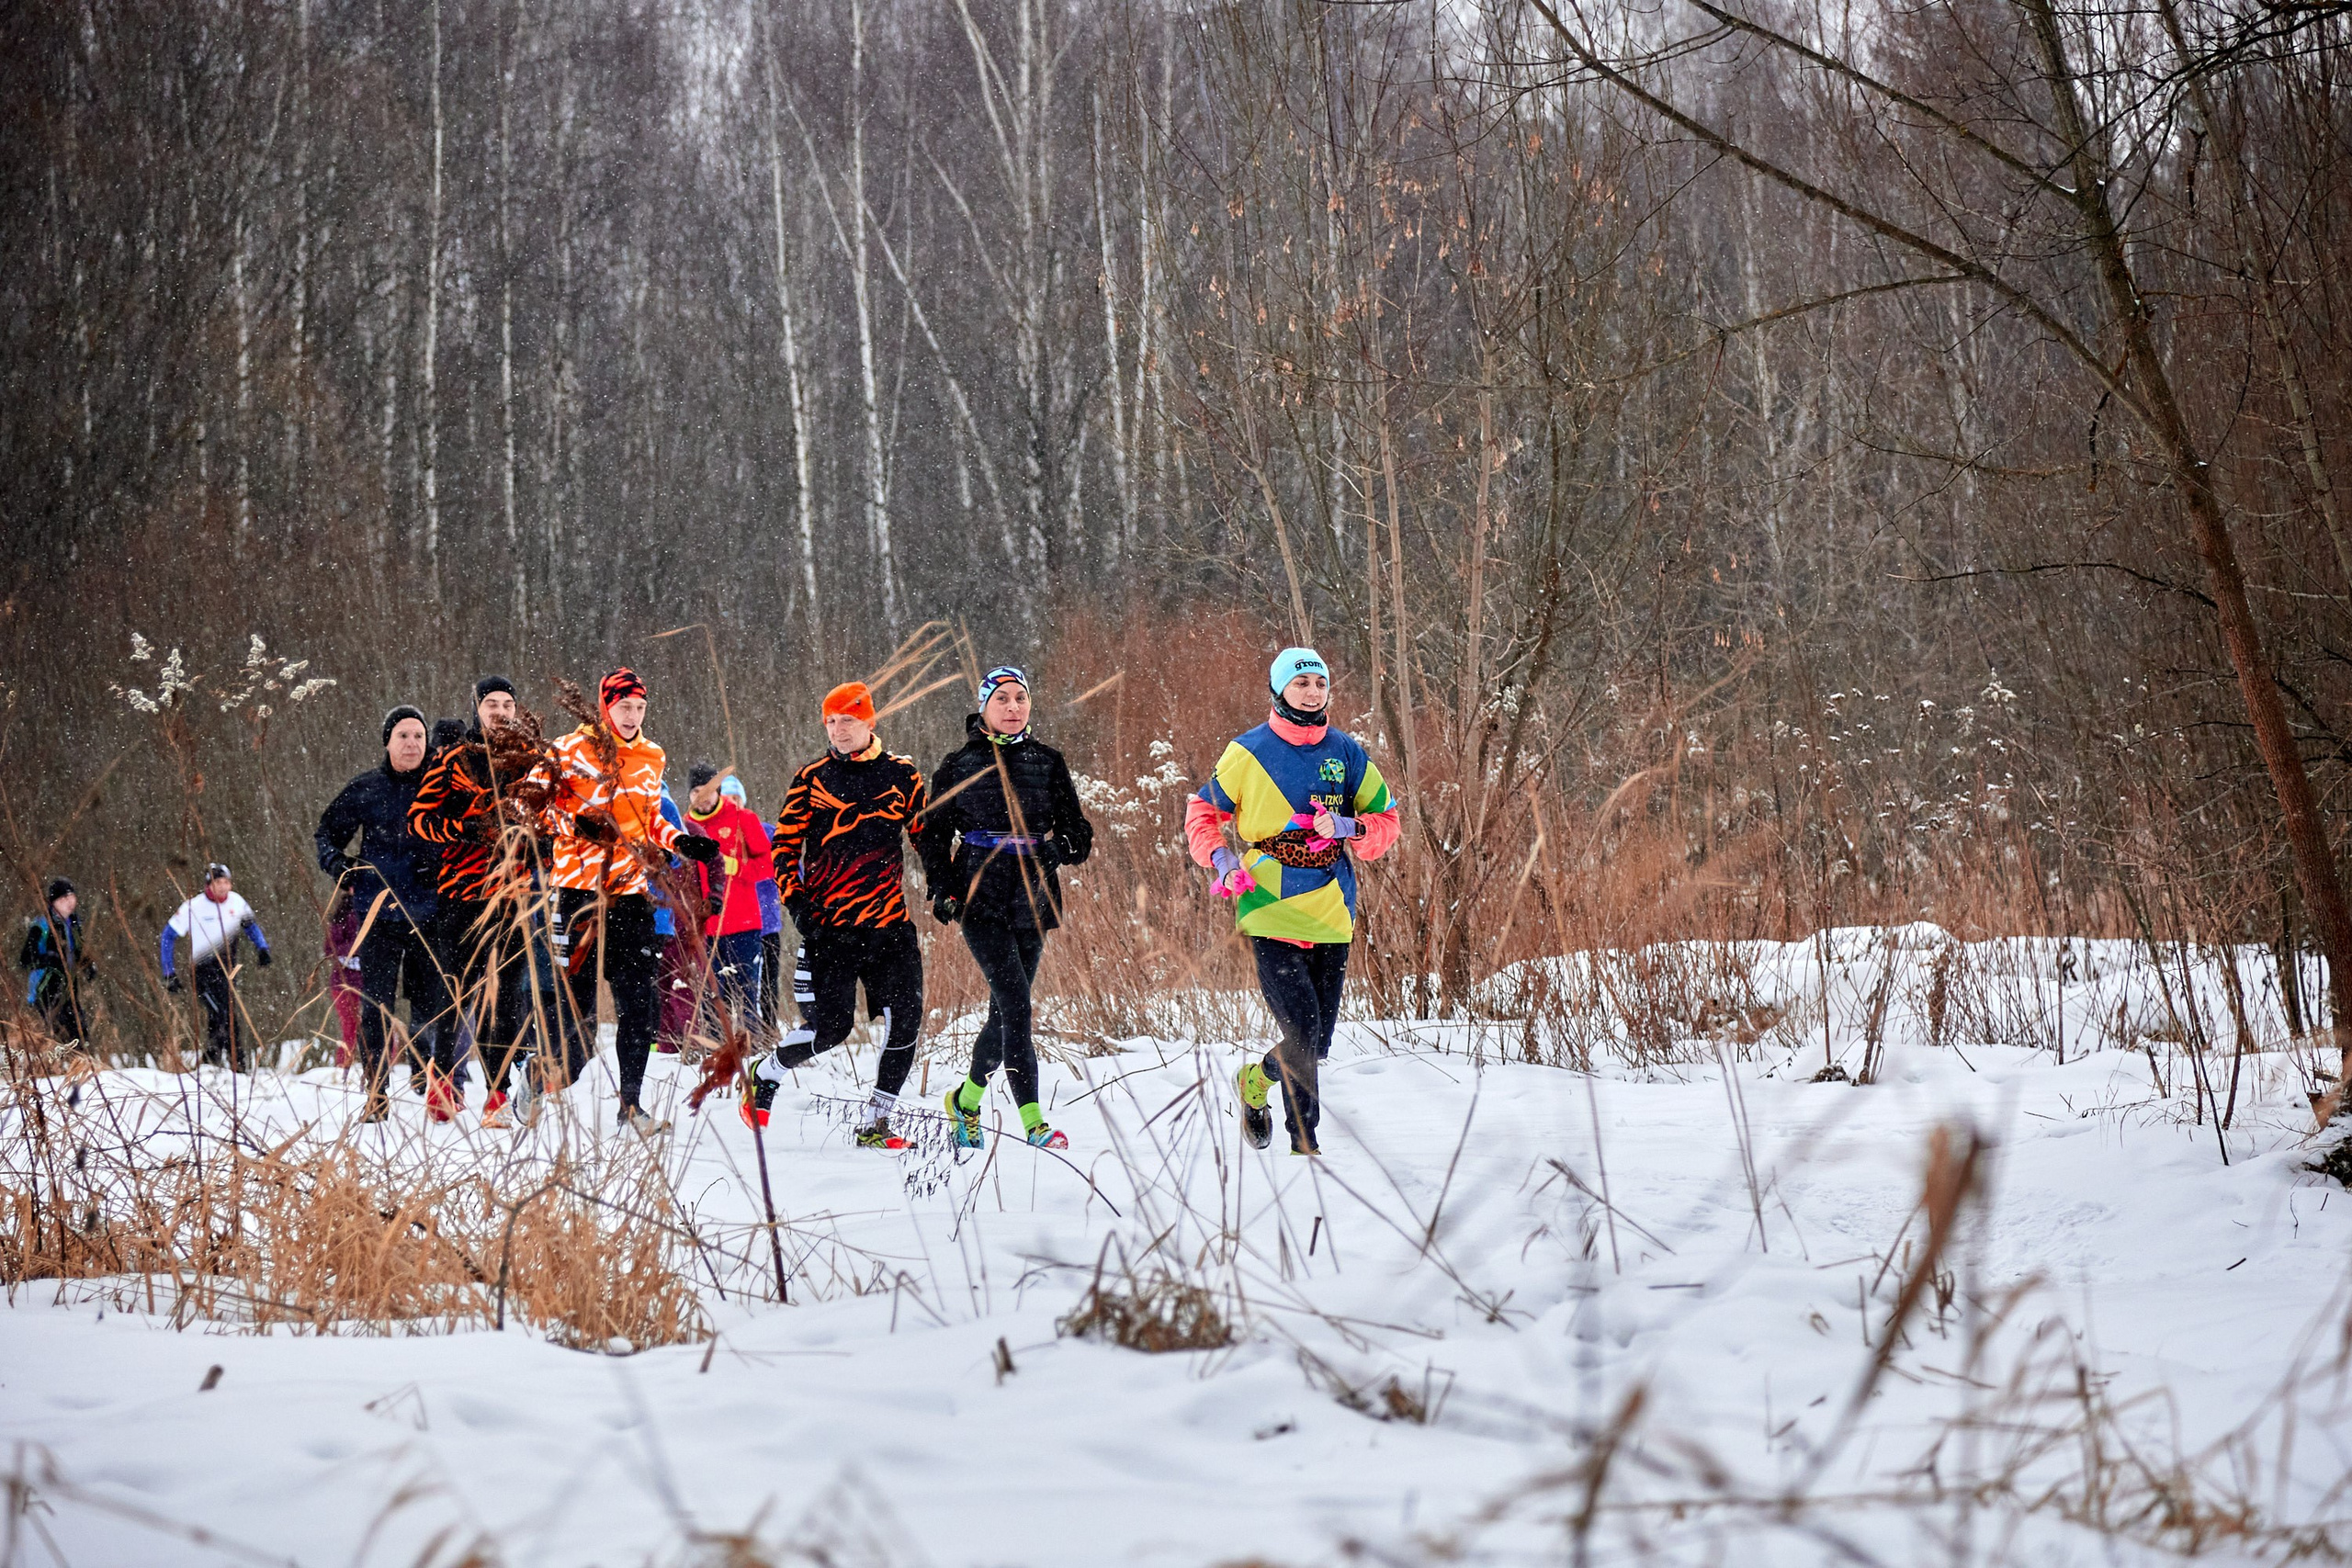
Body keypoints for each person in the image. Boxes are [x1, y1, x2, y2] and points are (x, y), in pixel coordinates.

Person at [1185, 648, 1399, 1156]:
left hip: (1331, 904)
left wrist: (1347, 825)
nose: (1312, 692)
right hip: (1267, 901)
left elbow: (1386, 822)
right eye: (1301, 683)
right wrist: (1222, 861)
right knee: (1300, 1031)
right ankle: (1305, 1144)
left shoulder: (1346, 752)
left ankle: (1255, 1080)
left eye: (1320, 683)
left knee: (1317, 1042)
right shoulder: (1247, 751)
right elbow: (1202, 813)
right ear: (1279, 689)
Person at [526, 667, 723, 1134]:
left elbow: (650, 818)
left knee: (640, 1006)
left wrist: (680, 843)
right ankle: (536, 1078)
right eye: (623, 707)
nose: (632, 716)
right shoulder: (570, 748)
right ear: (605, 707)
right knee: (575, 1018)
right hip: (578, 894)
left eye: (639, 708)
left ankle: (631, 1107)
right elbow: (527, 803)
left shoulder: (652, 755)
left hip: (632, 894)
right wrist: (574, 824)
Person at [744, 681, 930, 1148]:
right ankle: (766, 1072)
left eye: (848, 719)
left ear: (870, 720)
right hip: (832, 930)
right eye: (831, 721)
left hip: (890, 927)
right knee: (830, 1031)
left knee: (905, 1023)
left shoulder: (902, 775)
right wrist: (797, 902)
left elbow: (925, 836)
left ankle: (876, 1122)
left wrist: (947, 885)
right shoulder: (811, 778)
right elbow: (782, 846)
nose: (839, 729)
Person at [919, 666, 1094, 1150]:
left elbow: (1080, 833)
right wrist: (943, 886)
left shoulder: (1049, 761)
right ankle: (1034, 1121)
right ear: (984, 708)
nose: (1013, 707)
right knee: (1017, 1005)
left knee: (1004, 1012)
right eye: (1003, 700)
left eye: (1021, 698)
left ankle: (966, 1100)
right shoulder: (957, 766)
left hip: (1034, 896)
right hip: (981, 896)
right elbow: (931, 835)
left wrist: (1058, 850)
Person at [409, 676, 538, 1128]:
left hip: (511, 895)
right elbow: (419, 820)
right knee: (455, 991)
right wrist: (461, 830)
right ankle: (443, 1084)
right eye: (491, 704)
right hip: (460, 894)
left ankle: (498, 1094)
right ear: (477, 710)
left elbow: (550, 820)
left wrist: (533, 839)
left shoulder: (530, 763)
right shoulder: (451, 760)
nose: (500, 711)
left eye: (507, 704)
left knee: (502, 998)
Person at [317, 705, 452, 1121]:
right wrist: (342, 868)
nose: (412, 744)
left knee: (434, 1005)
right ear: (387, 742)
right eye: (403, 736)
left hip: (432, 913)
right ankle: (376, 1093)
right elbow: (326, 836)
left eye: (418, 736)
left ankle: (431, 1079)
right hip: (378, 914)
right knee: (376, 1005)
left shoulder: (442, 785)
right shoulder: (366, 788)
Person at [686, 762, 772, 1040]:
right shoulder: (684, 826)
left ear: (719, 791)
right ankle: (714, 1054)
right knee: (711, 999)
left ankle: (751, 1048)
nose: (702, 796)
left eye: (708, 790)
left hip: (744, 924)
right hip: (704, 929)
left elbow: (770, 865)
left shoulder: (742, 818)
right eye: (696, 791)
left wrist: (737, 867)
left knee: (746, 997)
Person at [159, 863, 273, 1069]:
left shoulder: (237, 902)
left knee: (223, 1016)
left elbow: (251, 927)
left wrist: (262, 948)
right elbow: (168, 936)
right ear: (208, 885)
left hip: (229, 971)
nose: (223, 887)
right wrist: (169, 972)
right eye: (218, 882)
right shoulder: (193, 907)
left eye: (226, 882)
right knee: (222, 1014)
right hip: (202, 971)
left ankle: (216, 1063)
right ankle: (233, 1062)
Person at [723, 774, 787, 1030]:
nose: (733, 804)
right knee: (732, 982)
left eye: (737, 798)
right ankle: (734, 1034)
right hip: (735, 922)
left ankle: (768, 1031)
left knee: (768, 982)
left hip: (767, 921)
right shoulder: (718, 834)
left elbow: (785, 864)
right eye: (727, 799)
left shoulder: (765, 831)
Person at [20, 878, 96, 1043]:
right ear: (54, 903)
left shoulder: (73, 925)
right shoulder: (42, 926)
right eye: (64, 899)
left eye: (72, 897)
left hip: (68, 989)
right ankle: (62, 1065)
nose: (70, 903)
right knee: (60, 1034)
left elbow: (77, 952)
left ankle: (79, 1063)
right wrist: (48, 959)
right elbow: (25, 959)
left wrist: (87, 966)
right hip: (45, 989)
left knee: (80, 1033)